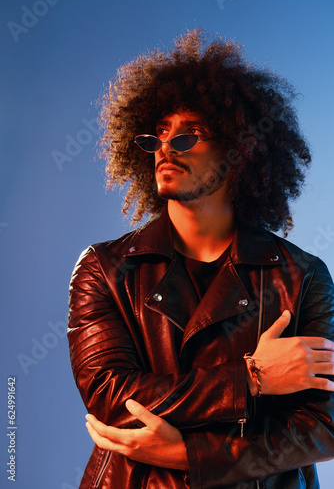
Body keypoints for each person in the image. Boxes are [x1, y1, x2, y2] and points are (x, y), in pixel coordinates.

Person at [67, 29, 334, 489]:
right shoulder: (105, 268)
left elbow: (324, 427)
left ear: (238, 150)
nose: (166, 149)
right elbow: (112, 396)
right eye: (157, 137)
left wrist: (188, 454)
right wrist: (252, 378)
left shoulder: (302, 276)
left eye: (188, 137)